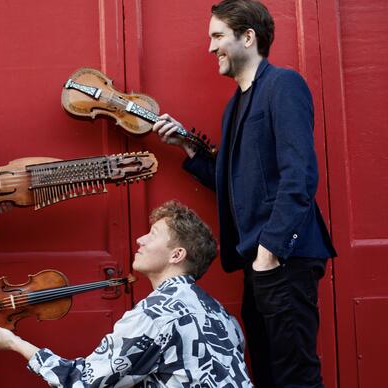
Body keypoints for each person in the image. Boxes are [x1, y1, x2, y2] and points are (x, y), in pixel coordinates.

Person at [152, 1, 337, 387]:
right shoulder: (235, 105)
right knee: (268, 374)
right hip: (259, 262)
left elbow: (299, 177)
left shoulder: (283, 85)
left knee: (295, 377)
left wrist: (270, 252)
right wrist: (186, 148)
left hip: (284, 258)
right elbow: (236, 184)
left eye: (218, 36)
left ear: (248, 37)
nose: (210, 48)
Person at [0, 200, 252, 387]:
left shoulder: (158, 312)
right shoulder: (220, 313)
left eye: (153, 234)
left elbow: (82, 382)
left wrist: (14, 343)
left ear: (177, 255)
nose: (140, 240)